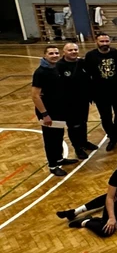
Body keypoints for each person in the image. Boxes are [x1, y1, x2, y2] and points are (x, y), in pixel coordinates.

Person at [58, 143, 117, 237]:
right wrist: (112, 218)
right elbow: (109, 197)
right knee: (106, 231)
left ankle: (89, 218)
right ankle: (85, 222)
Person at [31, 45, 79, 176]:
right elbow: (35, 96)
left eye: (56, 53)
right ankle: (53, 165)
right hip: (48, 112)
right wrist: (45, 114)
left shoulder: (56, 67)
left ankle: (59, 159)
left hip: (59, 110)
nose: (54, 55)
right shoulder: (40, 72)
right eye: (51, 53)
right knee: (50, 139)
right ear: (45, 55)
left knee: (58, 136)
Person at [84, 34, 117, 151]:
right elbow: (87, 76)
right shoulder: (90, 56)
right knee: (106, 117)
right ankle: (112, 137)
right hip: (100, 93)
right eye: (102, 41)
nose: (104, 43)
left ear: (110, 41)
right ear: (96, 42)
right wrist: (90, 93)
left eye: (106, 41)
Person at [56, 42, 99, 159]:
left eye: (75, 50)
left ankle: (84, 142)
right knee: (74, 126)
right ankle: (77, 147)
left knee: (83, 122)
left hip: (83, 100)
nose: (73, 52)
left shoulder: (82, 63)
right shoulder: (59, 66)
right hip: (68, 103)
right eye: (70, 50)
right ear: (64, 52)